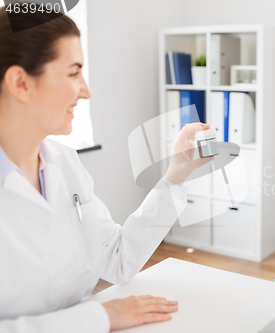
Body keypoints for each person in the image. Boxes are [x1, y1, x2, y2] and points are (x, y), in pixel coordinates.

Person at [0, 7, 210, 332]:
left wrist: (178, 171)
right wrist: (102, 316)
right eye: (73, 73)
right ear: (21, 83)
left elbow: (118, 258)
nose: (86, 90)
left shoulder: (65, 163)